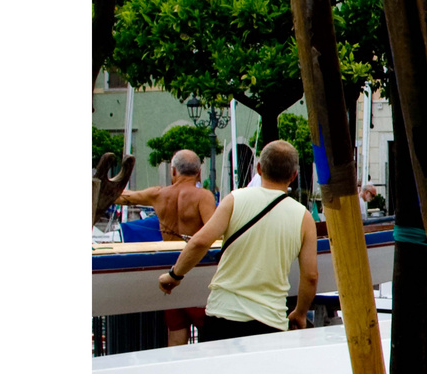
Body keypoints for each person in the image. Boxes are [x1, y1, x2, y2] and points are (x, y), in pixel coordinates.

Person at [157, 140, 316, 341]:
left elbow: (199, 242)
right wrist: (300, 313)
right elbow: (310, 276)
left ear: (258, 169)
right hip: (269, 321)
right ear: (294, 176)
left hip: (223, 314)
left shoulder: (234, 199)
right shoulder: (304, 217)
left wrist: (174, 276)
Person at [117, 148, 219, 345]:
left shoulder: (158, 195)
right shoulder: (203, 197)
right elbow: (213, 235)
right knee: (210, 341)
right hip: (196, 270)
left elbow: (124, 197)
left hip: (168, 272)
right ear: (199, 173)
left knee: (175, 339)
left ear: (173, 172)